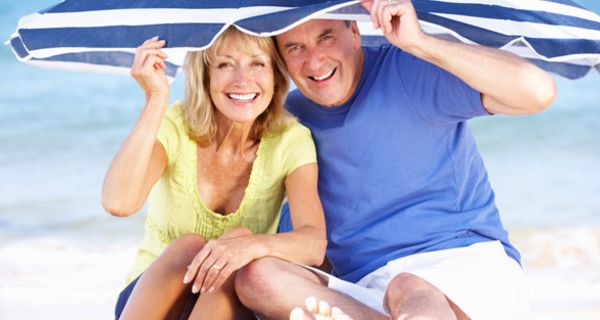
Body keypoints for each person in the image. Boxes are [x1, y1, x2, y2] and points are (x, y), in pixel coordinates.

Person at [234, 1, 556, 320]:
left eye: (326, 37)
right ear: (281, 61)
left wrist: (421, 43)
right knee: (257, 278)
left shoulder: (408, 68)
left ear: (355, 32)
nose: (314, 61)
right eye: (294, 48)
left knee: (407, 287)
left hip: (464, 268)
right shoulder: (290, 121)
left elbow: (537, 91)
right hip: (365, 293)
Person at [102, 26, 327, 320]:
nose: (243, 80)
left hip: (231, 306)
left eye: (257, 63)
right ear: (206, 77)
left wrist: (249, 245)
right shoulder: (176, 124)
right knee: (189, 247)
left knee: (238, 241)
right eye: (225, 64)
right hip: (152, 301)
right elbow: (119, 203)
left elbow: (313, 245)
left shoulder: (290, 140)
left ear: (275, 75)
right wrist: (155, 97)